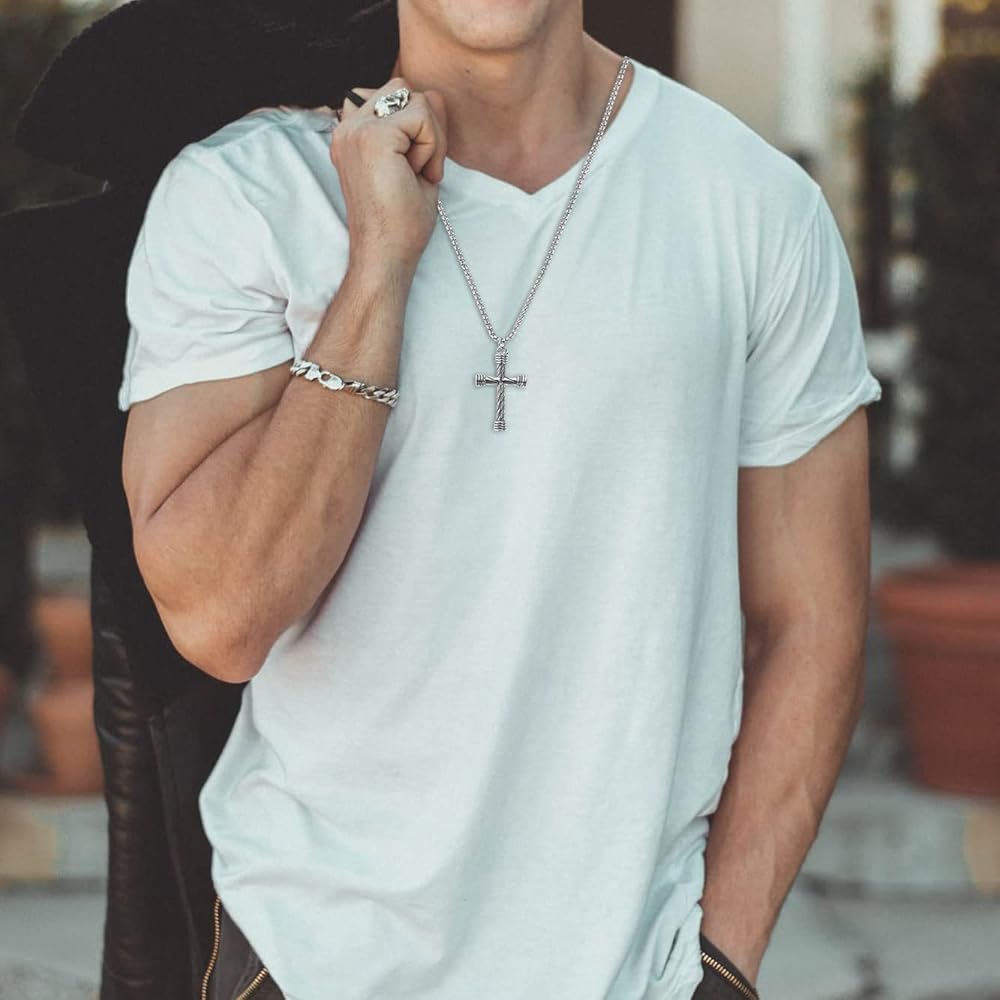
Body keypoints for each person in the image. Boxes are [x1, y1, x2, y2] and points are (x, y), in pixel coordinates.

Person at [117, 0, 883, 997]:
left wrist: (719, 966)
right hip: (309, 960)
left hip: (636, 974)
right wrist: (377, 271)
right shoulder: (247, 196)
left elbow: (812, 622)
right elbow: (220, 619)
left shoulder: (753, 204)